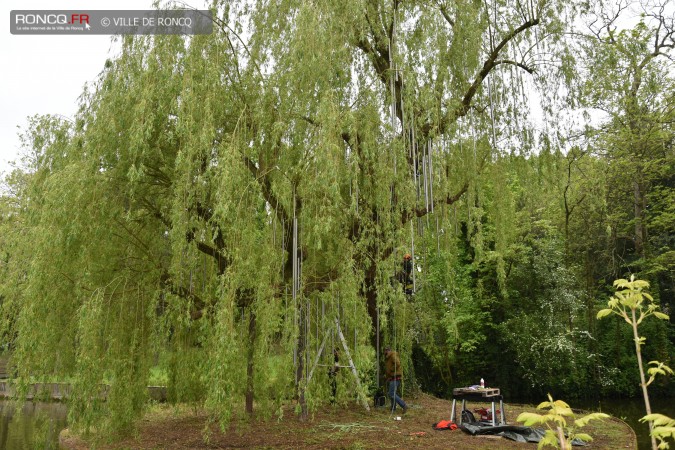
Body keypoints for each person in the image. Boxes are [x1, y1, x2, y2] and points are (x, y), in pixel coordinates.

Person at [384, 347, 407, 413]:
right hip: (392, 377)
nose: (385, 352)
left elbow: (397, 363)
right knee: (392, 393)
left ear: (389, 350)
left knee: (391, 393)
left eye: (386, 351)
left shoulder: (393, 355)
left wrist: (391, 369)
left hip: (396, 377)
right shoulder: (388, 357)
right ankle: (393, 408)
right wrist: (388, 377)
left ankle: (403, 405)